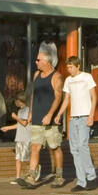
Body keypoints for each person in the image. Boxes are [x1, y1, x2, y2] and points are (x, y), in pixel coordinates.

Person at [23, 42, 64, 187]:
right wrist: (31, 113)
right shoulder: (36, 75)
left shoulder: (57, 77)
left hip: (50, 120)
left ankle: (59, 176)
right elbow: (34, 95)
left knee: (55, 147)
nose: (36, 62)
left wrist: (50, 115)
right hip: (36, 117)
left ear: (47, 61)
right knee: (35, 147)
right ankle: (32, 177)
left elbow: (58, 98)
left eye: (38, 60)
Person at [57, 55, 98, 190]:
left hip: (84, 116)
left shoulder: (87, 77)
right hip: (73, 118)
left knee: (82, 145)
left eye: (71, 67)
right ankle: (81, 181)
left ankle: (91, 176)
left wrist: (91, 115)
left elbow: (94, 97)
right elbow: (66, 99)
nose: (69, 70)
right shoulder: (68, 80)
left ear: (78, 66)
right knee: (74, 149)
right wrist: (59, 114)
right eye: (68, 67)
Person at [0, 97, 30, 184]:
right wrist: (7, 128)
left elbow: (24, 123)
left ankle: (34, 170)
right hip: (19, 137)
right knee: (18, 158)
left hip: (26, 138)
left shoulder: (28, 110)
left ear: (20, 101)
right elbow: (19, 125)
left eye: (16, 101)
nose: (15, 103)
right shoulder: (19, 111)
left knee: (26, 159)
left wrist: (15, 117)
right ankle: (18, 177)